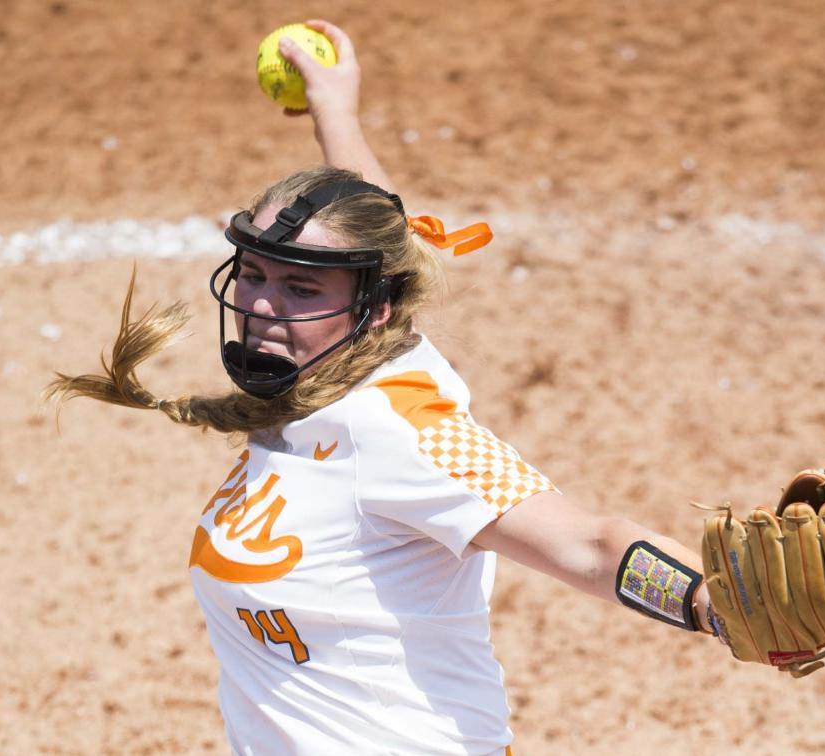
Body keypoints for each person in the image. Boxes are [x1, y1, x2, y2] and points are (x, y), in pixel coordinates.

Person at [48, 20, 716, 756]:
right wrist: (336, 113)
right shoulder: (326, 376)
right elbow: (379, 232)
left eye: (300, 288)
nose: (264, 306)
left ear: (374, 309)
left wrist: (712, 602)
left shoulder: (399, 430)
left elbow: (587, 544)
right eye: (255, 273)